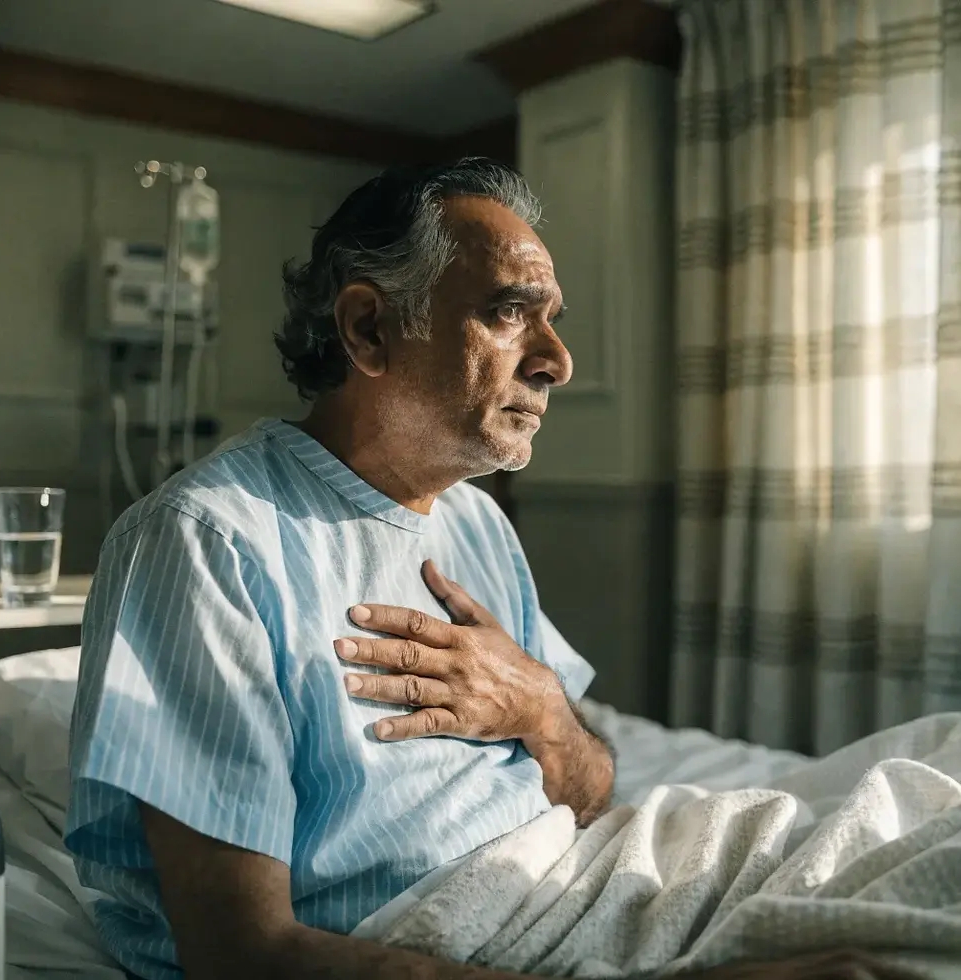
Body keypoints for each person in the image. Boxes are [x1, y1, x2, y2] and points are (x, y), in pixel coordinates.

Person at [65, 158, 913, 980]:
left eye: (554, 319)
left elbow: (587, 793)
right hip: (439, 926)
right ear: (369, 328)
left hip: (572, 876)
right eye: (512, 313)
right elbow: (243, 955)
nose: (557, 361)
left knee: (912, 815)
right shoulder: (206, 541)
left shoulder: (475, 520)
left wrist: (542, 709)